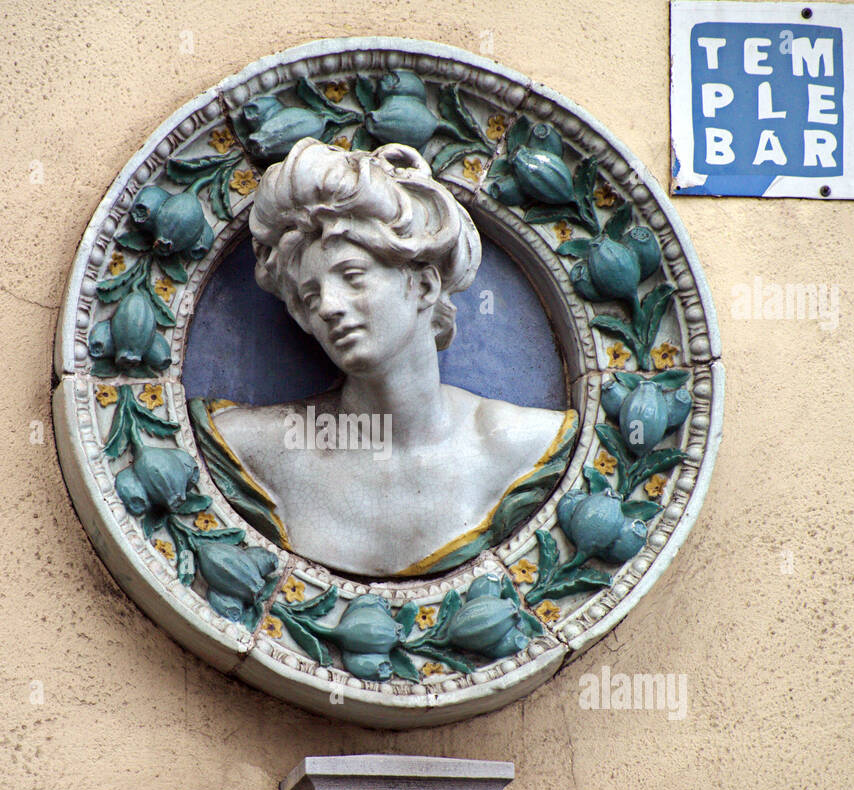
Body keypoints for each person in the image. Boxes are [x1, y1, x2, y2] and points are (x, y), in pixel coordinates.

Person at [190, 137, 576, 577]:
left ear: (425, 286)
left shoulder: (526, 446)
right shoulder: (252, 448)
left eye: (352, 277)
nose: (328, 306)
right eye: (310, 295)